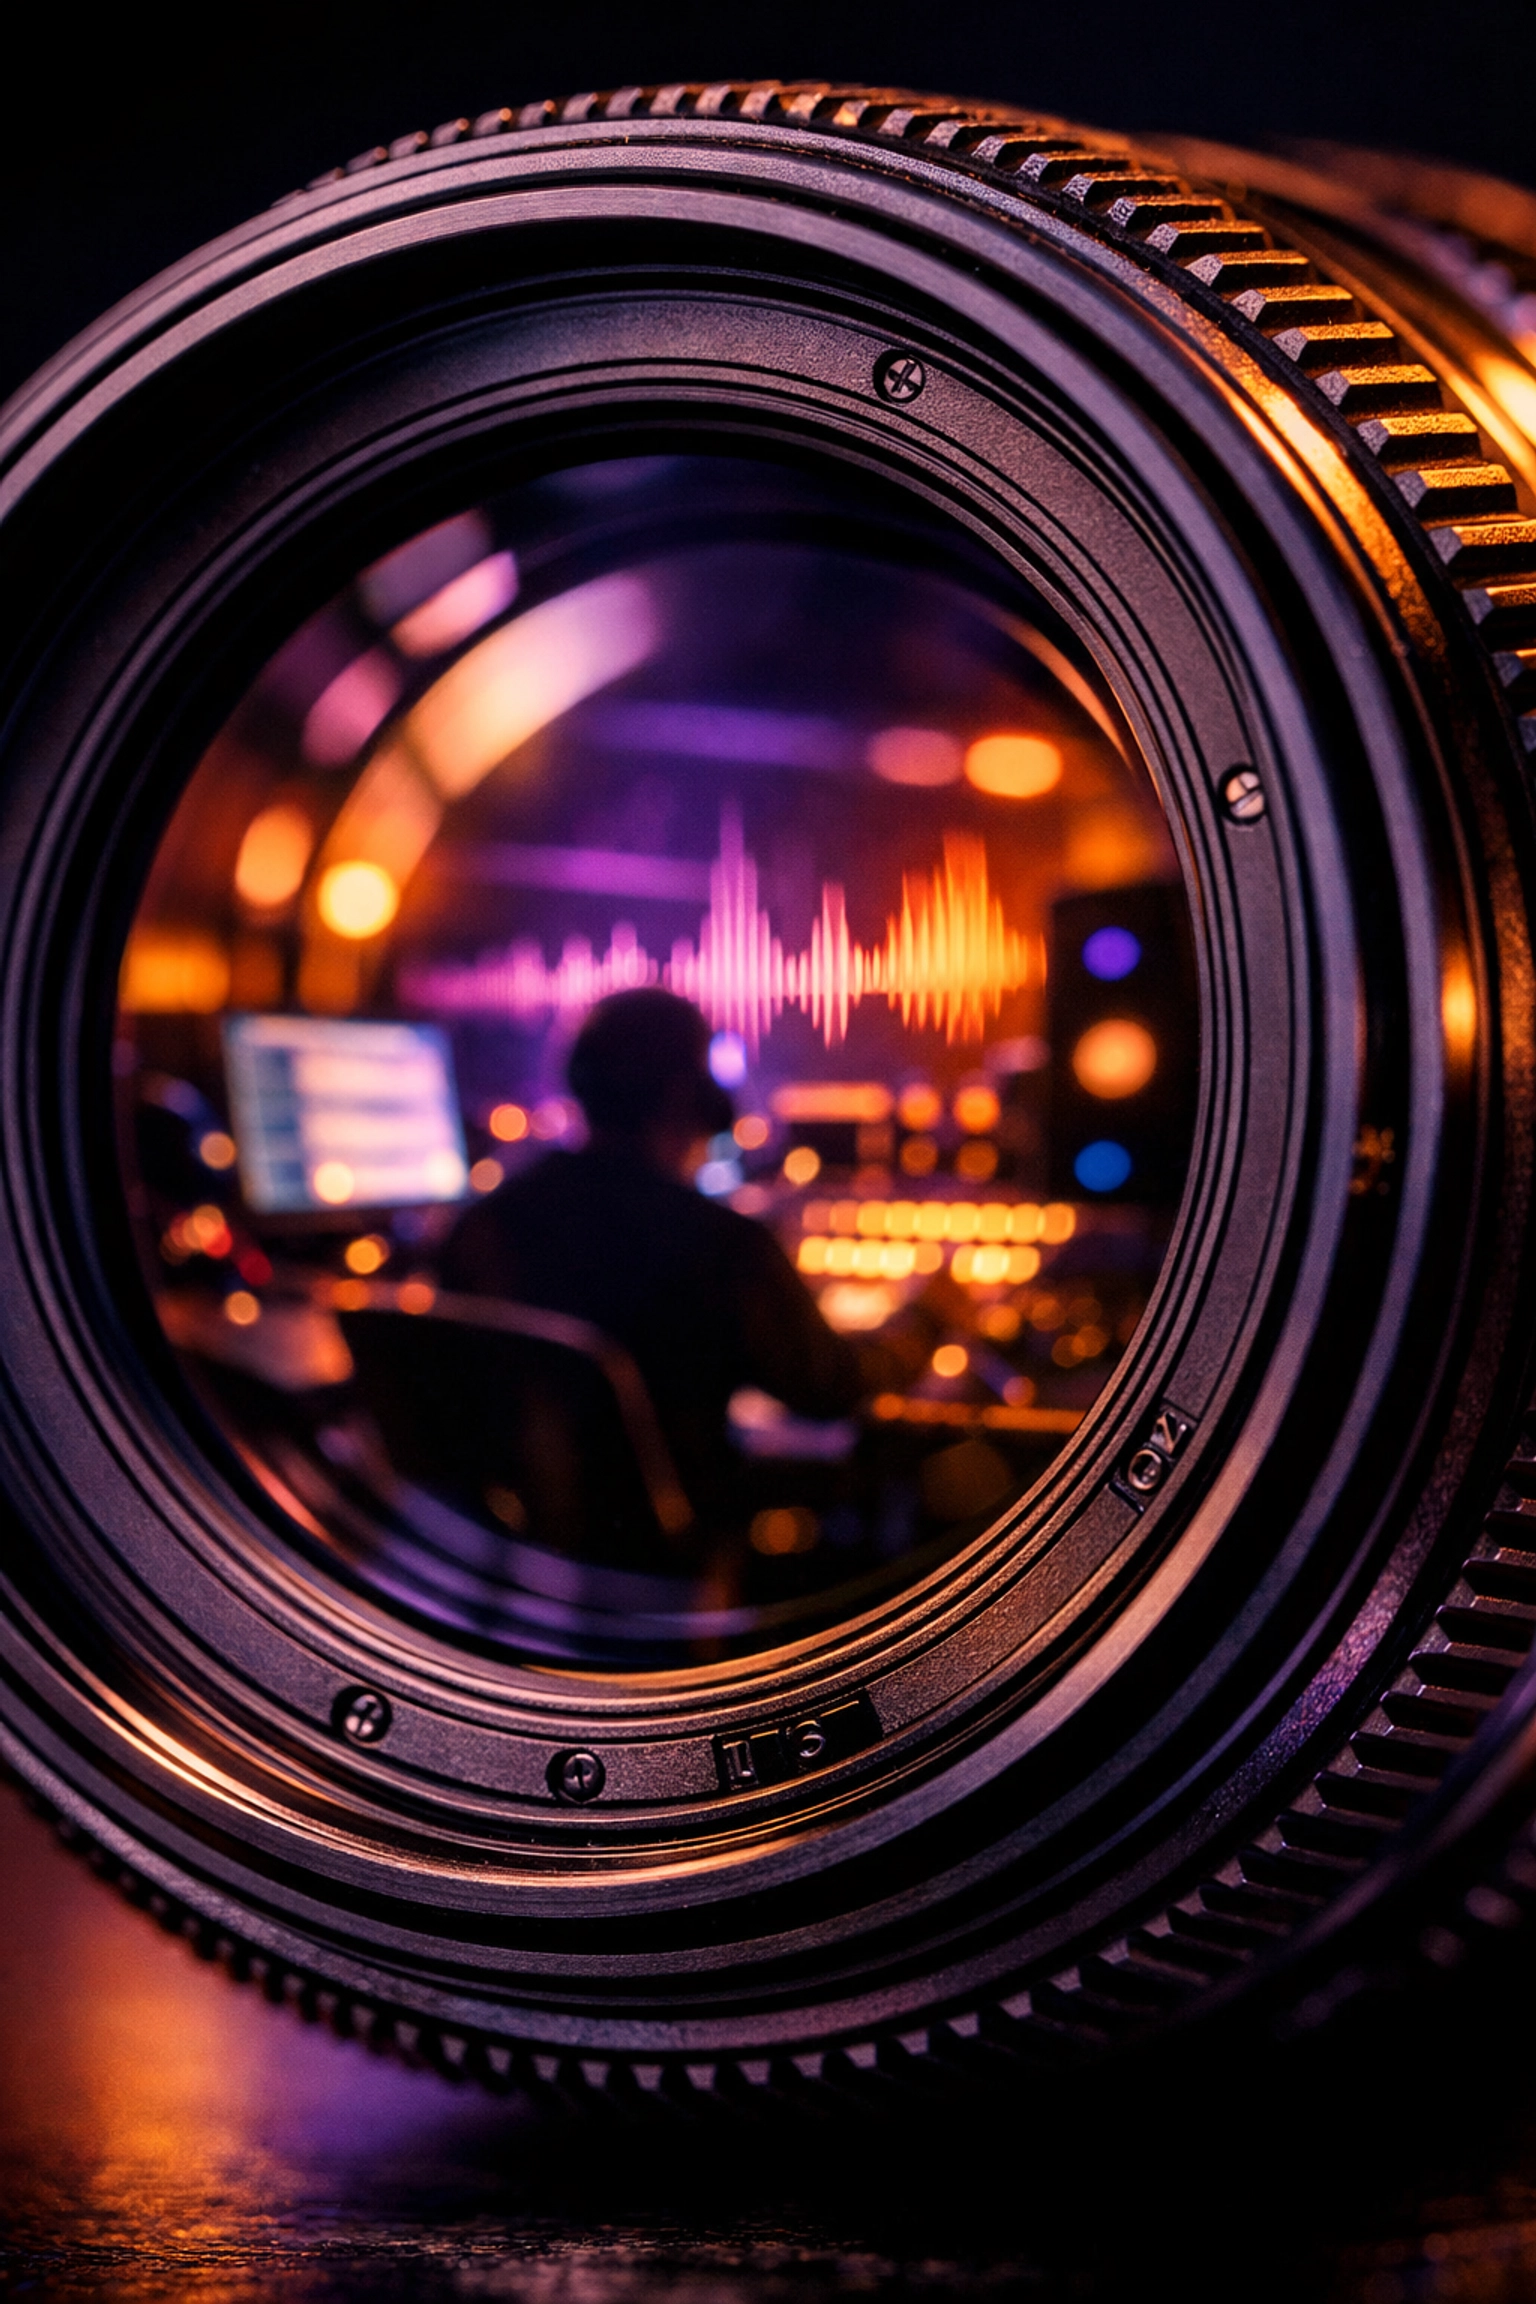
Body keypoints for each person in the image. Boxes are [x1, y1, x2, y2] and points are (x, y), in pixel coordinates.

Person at [439, 989, 935, 1530]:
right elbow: (830, 1389)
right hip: (674, 1552)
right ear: (695, 1098)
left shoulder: (483, 1225)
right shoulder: (722, 1243)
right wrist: (927, 1320)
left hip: (514, 1548)